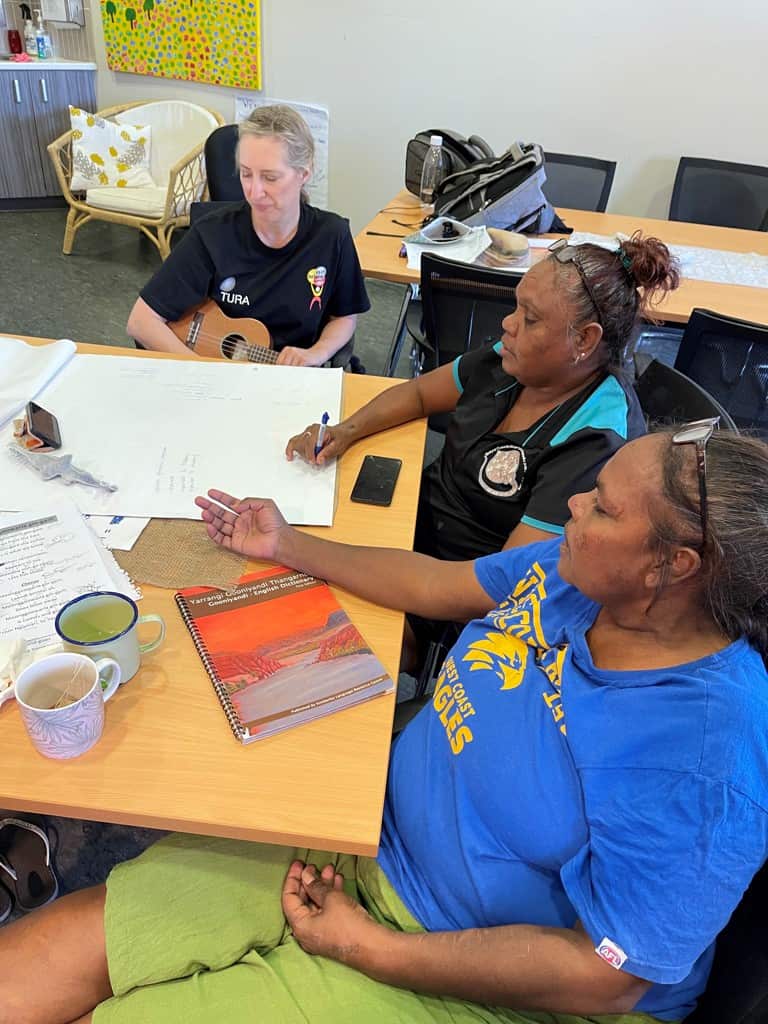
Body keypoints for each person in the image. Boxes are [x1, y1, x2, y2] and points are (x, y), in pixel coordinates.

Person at [5, 427, 768, 1024]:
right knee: (35, 971)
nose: (573, 504)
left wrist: (370, 949)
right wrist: (289, 545)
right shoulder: (574, 579)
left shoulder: (703, 762)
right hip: (362, 838)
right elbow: (441, 583)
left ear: (673, 566)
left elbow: (607, 975)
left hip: (491, 975)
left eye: (602, 506)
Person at [286, 233, 679, 559]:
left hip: (463, 578)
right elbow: (421, 394)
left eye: (531, 319)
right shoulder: (514, 361)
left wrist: (323, 556)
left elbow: (498, 586)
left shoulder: (596, 438)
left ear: (584, 339)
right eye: (516, 307)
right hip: (417, 525)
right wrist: (346, 430)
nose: (507, 324)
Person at [126, 105, 370, 366]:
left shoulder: (332, 236)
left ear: (304, 173)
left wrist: (316, 353)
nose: (254, 192)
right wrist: (205, 370)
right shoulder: (212, 233)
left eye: (270, 177)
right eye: (245, 173)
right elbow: (141, 321)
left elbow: (344, 316)